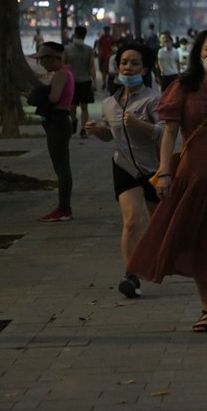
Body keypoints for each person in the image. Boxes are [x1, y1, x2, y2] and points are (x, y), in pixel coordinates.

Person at [126, 27, 207, 338]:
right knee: (200, 243)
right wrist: (164, 172)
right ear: (197, 54)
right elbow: (169, 133)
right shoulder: (182, 89)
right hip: (191, 176)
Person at [85, 43, 163, 299]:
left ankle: (167, 260)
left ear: (145, 68)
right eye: (123, 63)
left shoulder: (154, 99)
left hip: (153, 168)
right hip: (123, 166)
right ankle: (131, 276)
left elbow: (164, 133)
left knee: (160, 224)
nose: (127, 67)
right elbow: (110, 136)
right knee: (131, 220)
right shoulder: (109, 103)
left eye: (134, 63)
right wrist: (98, 131)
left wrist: (141, 125)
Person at [29, 42, 75, 222]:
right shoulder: (64, 73)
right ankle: (64, 208)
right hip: (58, 123)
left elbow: (54, 98)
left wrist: (38, 96)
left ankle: (63, 208)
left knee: (61, 168)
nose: (42, 64)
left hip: (58, 122)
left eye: (44, 60)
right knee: (62, 166)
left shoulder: (61, 74)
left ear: (55, 58)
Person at [64, 25, 97, 139]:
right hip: (72, 82)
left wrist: (94, 81)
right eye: (78, 36)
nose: (79, 39)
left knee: (84, 107)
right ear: (74, 35)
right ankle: (73, 120)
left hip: (85, 81)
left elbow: (91, 66)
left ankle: (83, 128)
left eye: (81, 37)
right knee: (72, 107)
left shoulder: (88, 49)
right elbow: (63, 65)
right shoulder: (67, 49)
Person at [97, 25, 115, 90]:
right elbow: (99, 47)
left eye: (108, 31)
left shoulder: (112, 38)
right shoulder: (101, 38)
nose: (107, 32)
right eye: (105, 31)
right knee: (103, 71)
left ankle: (108, 83)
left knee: (109, 70)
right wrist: (99, 54)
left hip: (110, 57)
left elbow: (114, 47)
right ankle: (104, 82)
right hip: (103, 57)